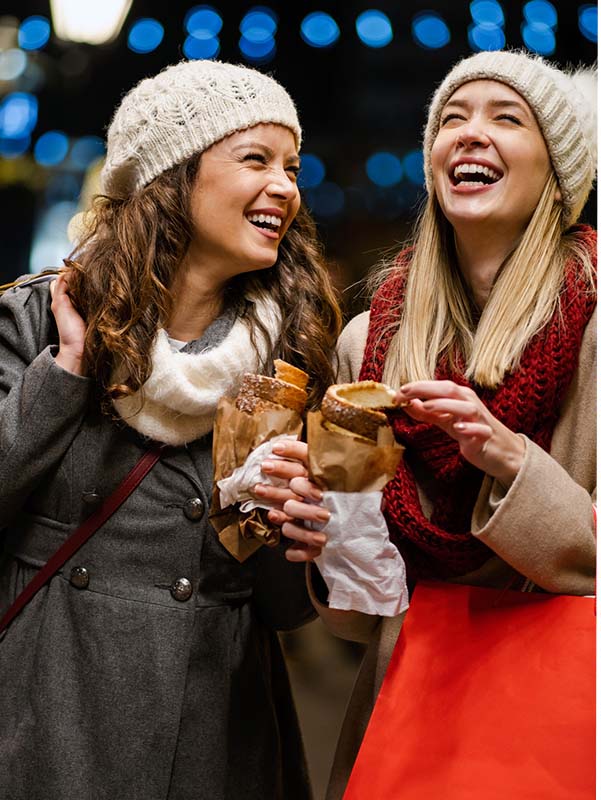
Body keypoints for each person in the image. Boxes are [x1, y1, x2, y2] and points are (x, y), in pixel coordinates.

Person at [0, 61, 340, 798]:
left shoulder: (288, 358)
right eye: (255, 159)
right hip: (46, 719)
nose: (285, 186)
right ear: (169, 178)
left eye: (292, 167)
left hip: (215, 733)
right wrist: (68, 368)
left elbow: (282, 611)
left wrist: (296, 531)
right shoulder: (36, 318)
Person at [271, 50, 597, 797]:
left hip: (545, 716)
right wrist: (326, 532)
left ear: (556, 172)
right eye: (453, 119)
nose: (470, 134)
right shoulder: (365, 345)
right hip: (410, 700)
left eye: (506, 119)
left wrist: (508, 458)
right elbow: (356, 621)